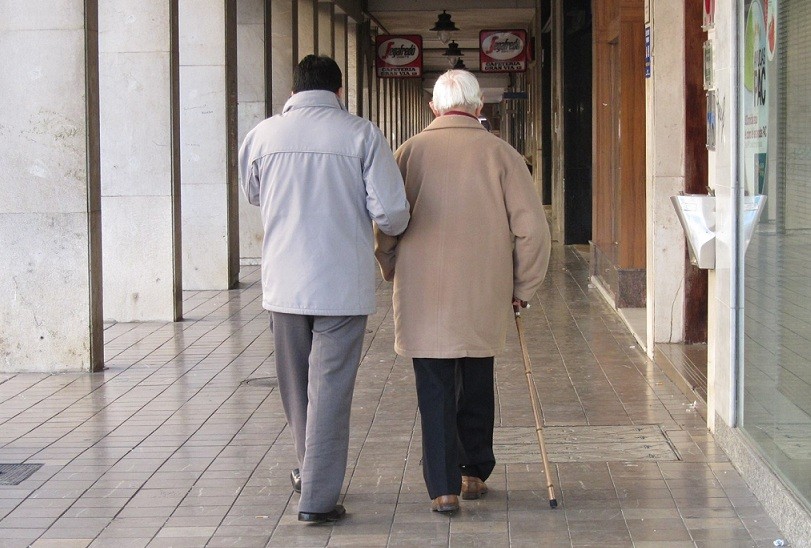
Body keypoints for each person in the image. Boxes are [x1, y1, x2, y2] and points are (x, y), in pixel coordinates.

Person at [239, 55, 410, 524]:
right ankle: (317, 496)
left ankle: (308, 470)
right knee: (331, 390)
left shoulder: (262, 135)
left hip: (284, 283)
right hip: (341, 283)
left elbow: (254, 194)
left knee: (296, 388)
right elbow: (392, 213)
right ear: (340, 92)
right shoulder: (361, 134)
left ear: (292, 91)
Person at [375, 70, 551, 514]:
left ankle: (443, 488)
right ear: (479, 108)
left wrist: (390, 264)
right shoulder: (502, 154)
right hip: (483, 290)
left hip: (421, 291)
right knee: (476, 378)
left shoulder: (407, 153)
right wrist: (521, 287)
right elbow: (533, 231)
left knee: (433, 386)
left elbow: (383, 221)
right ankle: (473, 472)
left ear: (434, 108)